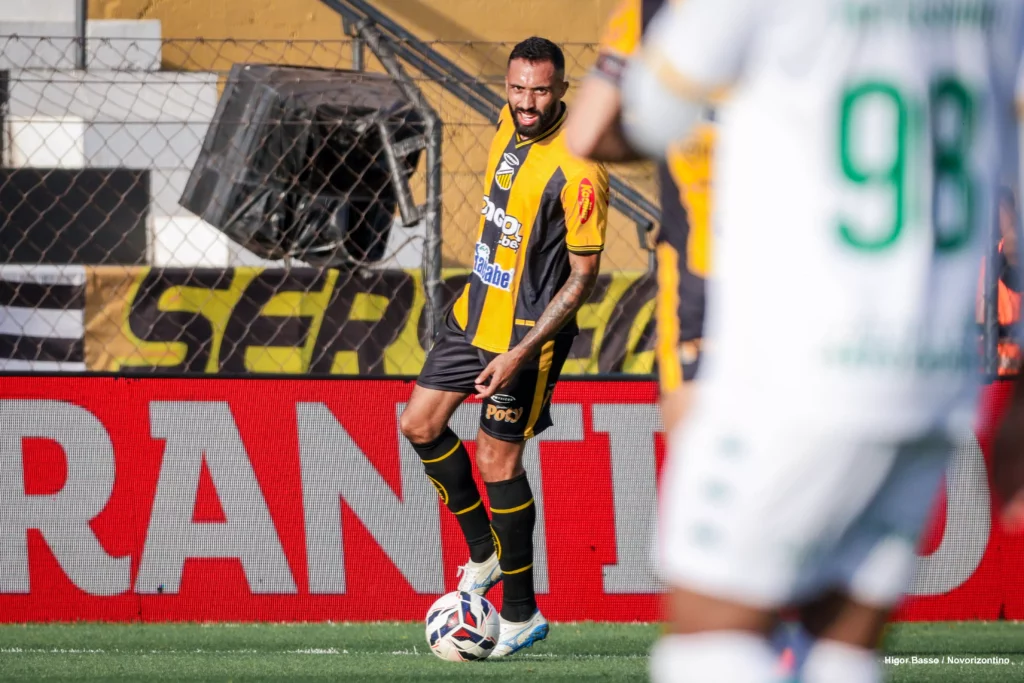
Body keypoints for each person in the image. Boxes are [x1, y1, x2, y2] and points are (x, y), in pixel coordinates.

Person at [619, 2, 1024, 682]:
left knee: (710, 637)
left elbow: (652, 109)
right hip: (936, 376)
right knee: (839, 644)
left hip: (802, 365)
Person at [399, 36, 609, 658]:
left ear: (560, 91)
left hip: (524, 340)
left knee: (497, 464)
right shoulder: (507, 120)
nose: (526, 101)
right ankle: (483, 554)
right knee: (419, 424)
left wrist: (521, 352)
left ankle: (520, 613)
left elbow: (582, 275)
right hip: (473, 316)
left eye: (540, 90)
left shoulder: (580, 170)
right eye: (517, 88)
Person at [565, 0, 712, 435]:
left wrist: (672, 136)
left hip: (703, 280)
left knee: (701, 476)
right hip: (808, 276)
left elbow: (587, 132)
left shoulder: (652, 10)